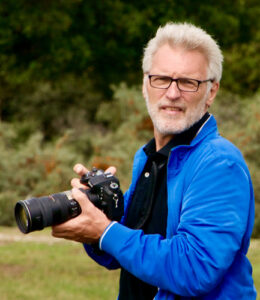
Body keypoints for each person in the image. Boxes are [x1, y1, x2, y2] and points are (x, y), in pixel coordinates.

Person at [52, 22, 257, 299]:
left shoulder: (219, 164)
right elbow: (122, 255)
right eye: (161, 78)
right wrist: (99, 215)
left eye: (188, 82)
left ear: (211, 92)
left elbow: (194, 269)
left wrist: (107, 232)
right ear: (145, 84)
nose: (172, 93)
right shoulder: (148, 157)